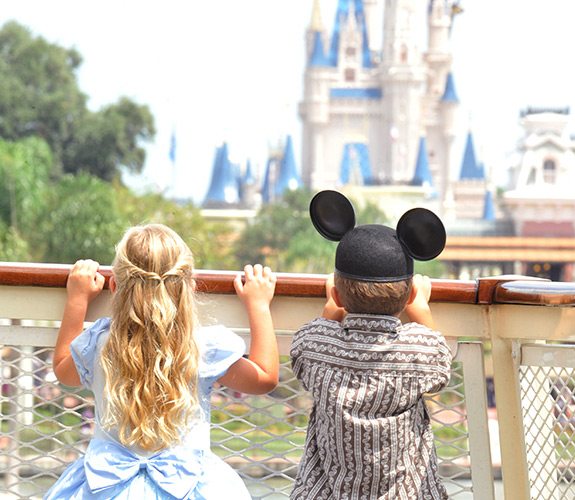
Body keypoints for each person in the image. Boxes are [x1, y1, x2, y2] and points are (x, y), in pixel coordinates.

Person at [45, 223, 279, 500]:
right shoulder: (202, 347)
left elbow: (63, 370)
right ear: (189, 287)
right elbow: (264, 378)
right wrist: (259, 306)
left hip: (104, 486)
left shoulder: (98, 344)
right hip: (189, 487)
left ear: (115, 285)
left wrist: (76, 300)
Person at [290, 190, 453, 500]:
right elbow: (440, 361)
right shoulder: (417, 353)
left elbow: (308, 344)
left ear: (337, 296)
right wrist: (420, 310)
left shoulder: (315, 347)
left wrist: (332, 309)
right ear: (406, 297)